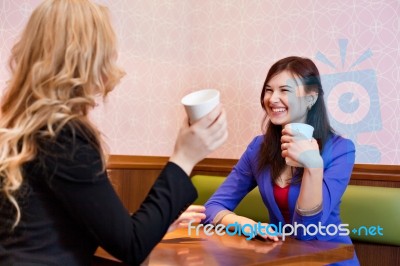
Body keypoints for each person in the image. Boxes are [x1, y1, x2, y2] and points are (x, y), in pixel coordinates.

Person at [0, 0, 227, 265]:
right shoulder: (62, 135)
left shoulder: (22, 127)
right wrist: (185, 157)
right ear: (88, 59)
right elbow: (131, 246)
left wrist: (157, 222)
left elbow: (73, 226)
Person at [203, 56, 359, 265]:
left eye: (284, 90)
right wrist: (248, 225)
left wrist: (313, 165)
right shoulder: (258, 148)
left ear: (311, 98)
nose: (273, 98)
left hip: (329, 259)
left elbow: (306, 231)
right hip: (281, 258)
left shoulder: (341, 149)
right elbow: (213, 207)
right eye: (269, 90)